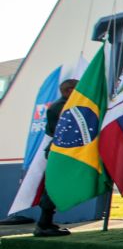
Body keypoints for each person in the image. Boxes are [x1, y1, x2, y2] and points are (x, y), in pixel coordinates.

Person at [32, 78, 79, 237]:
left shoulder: (65, 105)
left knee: (54, 187)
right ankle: (43, 225)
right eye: (78, 88)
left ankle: (46, 223)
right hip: (60, 152)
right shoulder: (60, 107)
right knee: (52, 188)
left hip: (62, 151)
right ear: (69, 91)